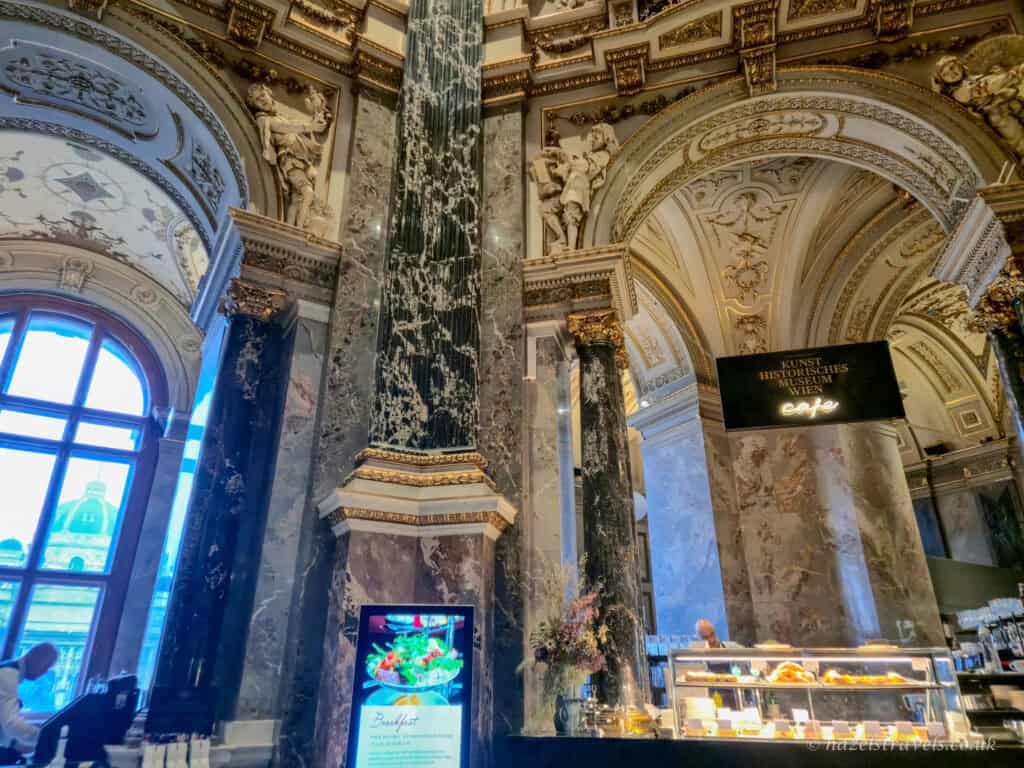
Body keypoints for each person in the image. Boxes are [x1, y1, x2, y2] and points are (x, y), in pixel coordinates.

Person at [0, 644, 58, 761]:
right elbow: (10, 723)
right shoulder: (8, 674)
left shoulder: (10, 671)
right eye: (45, 665)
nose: (44, 672)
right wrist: (45, 736)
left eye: (48, 668)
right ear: (32, 655)